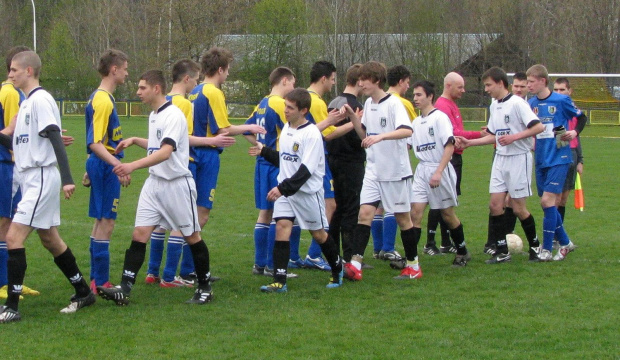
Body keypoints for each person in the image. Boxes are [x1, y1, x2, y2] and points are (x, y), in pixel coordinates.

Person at [98, 70, 213, 305]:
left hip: (176, 184)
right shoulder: (154, 115)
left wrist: (131, 166)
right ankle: (124, 289)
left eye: (142, 88)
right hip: (154, 184)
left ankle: (205, 288)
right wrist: (134, 140)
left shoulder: (174, 115)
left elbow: (165, 152)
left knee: (192, 236)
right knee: (139, 234)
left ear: (156, 89)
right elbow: (156, 146)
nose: (138, 92)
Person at [0, 51, 94, 323]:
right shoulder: (27, 103)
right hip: (32, 177)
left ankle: (12, 307)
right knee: (50, 239)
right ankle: (83, 291)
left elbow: (54, 136)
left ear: (29, 71)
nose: (10, 75)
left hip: (41, 177)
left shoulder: (41, 100)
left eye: (14, 70)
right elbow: (18, 144)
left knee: (13, 238)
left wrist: (67, 178)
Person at [145, 59, 234, 287]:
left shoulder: (162, 103)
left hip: (161, 170)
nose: (196, 84)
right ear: (187, 79)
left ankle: (154, 271)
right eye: (194, 79)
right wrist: (213, 140)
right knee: (186, 221)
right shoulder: (182, 104)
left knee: (162, 222)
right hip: (184, 165)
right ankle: (173, 274)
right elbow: (181, 139)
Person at [249, 88, 344, 293]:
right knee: (282, 227)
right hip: (287, 191)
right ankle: (279, 281)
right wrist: (264, 151)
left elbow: (305, 171)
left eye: (290, 108)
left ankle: (337, 268)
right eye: (285, 106)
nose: (285, 111)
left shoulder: (311, 134)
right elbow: (285, 161)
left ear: (304, 110)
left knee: (318, 234)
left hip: (307, 193)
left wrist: (282, 189)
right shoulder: (287, 130)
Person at [456, 67, 543, 263]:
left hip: (519, 158)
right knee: (495, 205)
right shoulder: (494, 105)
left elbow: (538, 126)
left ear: (501, 83)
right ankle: (502, 251)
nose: (486, 89)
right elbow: (494, 136)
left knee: (519, 208)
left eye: (488, 85)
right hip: (501, 159)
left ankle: (536, 248)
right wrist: (470, 143)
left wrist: (514, 137)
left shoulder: (518, 104)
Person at [340, 61, 417, 281]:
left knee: (403, 219)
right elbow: (365, 135)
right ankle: (355, 265)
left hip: (394, 171)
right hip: (374, 170)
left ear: (375, 80)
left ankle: (413, 265)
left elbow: (406, 130)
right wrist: (354, 117)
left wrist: (382, 136)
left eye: (364, 79)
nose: (360, 83)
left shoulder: (394, 104)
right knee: (364, 214)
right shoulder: (369, 105)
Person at [188, 47, 265, 233]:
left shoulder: (194, 91)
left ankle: (182, 258)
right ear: (220, 69)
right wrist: (249, 127)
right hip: (206, 154)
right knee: (201, 213)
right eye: (228, 69)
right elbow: (224, 129)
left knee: (187, 212)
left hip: (190, 151)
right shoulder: (213, 92)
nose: (228, 73)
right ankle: (190, 259)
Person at [242, 66, 301, 277]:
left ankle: (259, 263)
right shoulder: (278, 104)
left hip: (262, 163)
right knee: (279, 214)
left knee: (264, 213)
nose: (293, 87)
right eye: (293, 82)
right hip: (276, 163)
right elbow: (299, 129)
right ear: (284, 81)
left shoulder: (263, 102)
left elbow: (247, 129)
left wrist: (259, 146)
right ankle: (270, 264)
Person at [526, 64, 587, 261]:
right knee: (547, 205)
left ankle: (545, 249)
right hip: (541, 158)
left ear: (543, 81)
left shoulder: (561, 100)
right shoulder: (531, 103)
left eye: (531, 82)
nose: (528, 85)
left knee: (547, 201)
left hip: (560, 157)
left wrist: (574, 132)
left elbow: (581, 117)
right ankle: (566, 242)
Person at [84, 49, 130, 293]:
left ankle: (94, 279)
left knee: (100, 221)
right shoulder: (102, 100)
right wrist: (117, 166)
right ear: (114, 69)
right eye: (124, 68)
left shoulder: (101, 97)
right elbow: (96, 142)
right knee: (106, 223)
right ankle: (101, 282)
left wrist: (90, 166)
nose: (127, 72)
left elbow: (94, 144)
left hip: (99, 163)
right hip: (105, 163)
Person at [426, 72, 485, 256]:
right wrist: (480, 135)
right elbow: (454, 133)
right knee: (441, 200)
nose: (463, 90)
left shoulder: (451, 104)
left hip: (456, 157)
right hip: (448, 158)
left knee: (445, 200)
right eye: (460, 87)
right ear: (449, 85)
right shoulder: (443, 106)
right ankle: (432, 242)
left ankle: (444, 242)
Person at [0, 46, 40, 300]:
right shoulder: (11, 93)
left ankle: (11, 281)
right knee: (5, 223)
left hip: (13, 165)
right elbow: (10, 134)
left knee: (13, 222)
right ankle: (5, 282)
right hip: (7, 165)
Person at [301, 60, 346, 271]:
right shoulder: (316, 102)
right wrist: (354, 123)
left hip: (300, 159)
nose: (333, 84)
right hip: (317, 160)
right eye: (333, 79)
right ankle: (314, 254)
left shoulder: (301, 96)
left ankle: (292, 256)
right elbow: (327, 134)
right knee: (329, 205)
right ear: (324, 78)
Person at [371, 65, 417, 261]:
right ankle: (389, 247)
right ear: (401, 81)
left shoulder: (375, 101)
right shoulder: (401, 103)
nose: (408, 87)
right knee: (394, 208)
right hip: (393, 164)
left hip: (375, 162)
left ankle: (377, 248)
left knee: (376, 207)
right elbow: (412, 131)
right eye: (407, 83)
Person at [326, 64, 365, 264]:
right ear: (359, 81)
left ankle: (333, 255)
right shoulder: (357, 107)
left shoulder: (333, 102)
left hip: (332, 161)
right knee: (351, 209)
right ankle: (350, 255)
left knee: (336, 209)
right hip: (351, 163)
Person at [553, 78, 584, 225]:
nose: (559, 93)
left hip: (570, 154)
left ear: (569, 91)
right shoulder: (551, 106)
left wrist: (580, 160)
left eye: (562, 89)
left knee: (563, 199)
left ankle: (558, 236)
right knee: (555, 199)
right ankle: (553, 235)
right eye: (556, 90)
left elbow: (575, 136)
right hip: (557, 155)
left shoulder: (572, 108)